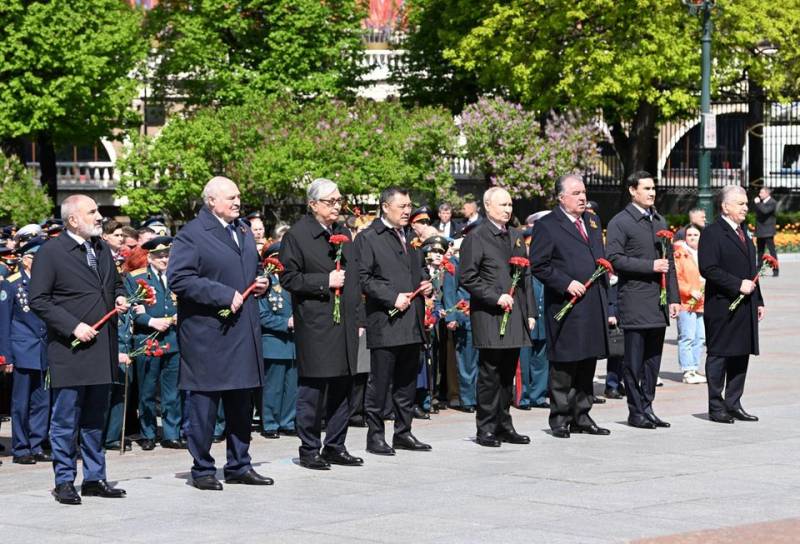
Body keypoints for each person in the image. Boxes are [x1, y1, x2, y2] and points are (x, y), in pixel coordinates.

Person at [168, 176, 272, 490]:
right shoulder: (192, 234)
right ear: (211, 200)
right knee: (204, 407)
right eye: (231, 197)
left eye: (239, 196)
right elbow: (180, 279)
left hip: (243, 331)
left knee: (242, 404)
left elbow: (247, 271)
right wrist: (222, 294)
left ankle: (240, 463)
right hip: (209, 335)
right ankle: (202, 469)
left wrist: (260, 283)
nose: (237, 202)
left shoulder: (242, 230)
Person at [29, 194, 129, 505]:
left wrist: (120, 298)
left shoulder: (100, 248)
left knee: (95, 418)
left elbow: (114, 284)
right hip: (70, 350)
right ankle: (64, 481)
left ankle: (95, 478)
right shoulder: (52, 252)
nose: (100, 217)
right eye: (93, 212)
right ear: (73, 219)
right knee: (65, 420)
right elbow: (39, 300)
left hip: (101, 349)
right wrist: (73, 326)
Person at [280, 178, 363, 470]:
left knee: (344, 387)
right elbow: (288, 278)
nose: (336, 206)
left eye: (339, 200)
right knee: (314, 390)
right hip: (316, 323)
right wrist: (323, 282)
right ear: (313, 204)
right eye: (330, 201)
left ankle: (336, 445)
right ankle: (309, 448)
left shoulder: (343, 233)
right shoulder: (297, 235)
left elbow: (356, 279)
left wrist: (359, 319)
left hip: (346, 325)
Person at [531, 175, 610, 439]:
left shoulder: (592, 221)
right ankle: (560, 418)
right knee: (565, 365)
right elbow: (540, 265)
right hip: (567, 304)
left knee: (588, 362)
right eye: (576, 193)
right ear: (561, 197)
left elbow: (599, 256)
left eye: (584, 192)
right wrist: (565, 283)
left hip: (592, 302)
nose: (582, 197)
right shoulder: (547, 225)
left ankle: (582, 415)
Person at [358, 187, 433, 455]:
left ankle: (404, 431)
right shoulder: (369, 237)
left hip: (411, 320)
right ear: (385, 207)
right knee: (380, 382)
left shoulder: (410, 236)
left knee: (406, 382)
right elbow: (364, 278)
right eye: (401, 206)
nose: (407, 211)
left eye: (409, 206)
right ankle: (375, 435)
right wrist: (392, 297)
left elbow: (420, 268)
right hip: (386, 320)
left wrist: (426, 284)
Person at [459, 187, 536, 447]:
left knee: (507, 373)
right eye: (502, 205)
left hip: (514, 314)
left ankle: (505, 424)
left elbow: (525, 277)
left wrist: (530, 313)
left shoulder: (515, 235)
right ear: (488, 206)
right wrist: (495, 296)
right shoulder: (477, 237)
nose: (508, 209)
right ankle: (486, 427)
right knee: (490, 373)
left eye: (510, 204)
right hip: (490, 314)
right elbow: (468, 277)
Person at [606, 171, 680, 430]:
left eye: (653, 188)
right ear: (632, 190)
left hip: (657, 304)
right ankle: (635, 410)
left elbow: (669, 264)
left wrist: (673, 298)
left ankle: (648, 407)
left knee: (653, 361)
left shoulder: (659, 220)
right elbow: (613, 258)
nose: (651, 193)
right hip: (634, 301)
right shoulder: (621, 222)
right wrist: (650, 266)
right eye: (646, 188)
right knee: (634, 361)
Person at [698, 186, 765, 424]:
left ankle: (734, 403)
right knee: (719, 356)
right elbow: (708, 268)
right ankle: (716, 407)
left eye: (746, 203)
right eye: (740, 203)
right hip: (722, 305)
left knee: (740, 355)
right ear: (725, 207)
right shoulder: (712, 233)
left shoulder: (743, 233)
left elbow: (752, 271)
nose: (746, 207)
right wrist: (738, 285)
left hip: (745, 305)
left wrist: (759, 300)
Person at [128, 236, 184, 450]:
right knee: (148, 391)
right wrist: (151, 321)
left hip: (173, 339)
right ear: (149, 257)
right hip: (148, 340)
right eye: (159, 255)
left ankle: (171, 433)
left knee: (172, 392)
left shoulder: (177, 276)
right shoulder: (137, 278)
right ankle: (148, 433)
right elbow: (132, 311)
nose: (164, 259)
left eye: (167, 255)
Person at [0, 237, 51, 465]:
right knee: (20, 403)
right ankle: (21, 448)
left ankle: (37, 444)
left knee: (42, 401)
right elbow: (3, 322)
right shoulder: (11, 284)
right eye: (36, 258)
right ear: (26, 259)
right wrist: (6, 355)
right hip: (21, 350)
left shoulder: (48, 282)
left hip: (44, 349)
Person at [258, 241, 297, 440]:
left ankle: (288, 421)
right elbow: (262, 315)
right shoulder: (266, 283)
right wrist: (286, 323)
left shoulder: (292, 281)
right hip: (274, 342)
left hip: (294, 344)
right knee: (273, 388)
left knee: (291, 386)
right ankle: (270, 423)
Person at [517, 218, 550, 410]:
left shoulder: (544, 266)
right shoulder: (520, 267)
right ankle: (523, 397)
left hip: (543, 319)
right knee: (524, 361)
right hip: (526, 319)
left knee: (541, 359)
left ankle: (538, 395)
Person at [673, 224, 707, 385]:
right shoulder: (680, 254)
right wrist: (689, 290)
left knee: (700, 336)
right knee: (687, 336)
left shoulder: (705, 253)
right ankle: (687, 370)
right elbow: (675, 278)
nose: (693, 238)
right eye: (689, 235)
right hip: (686, 302)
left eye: (696, 235)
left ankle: (694, 368)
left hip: (702, 301)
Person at [753, 186, 778, 277]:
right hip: (760, 231)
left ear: (767, 193)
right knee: (760, 251)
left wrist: (758, 203)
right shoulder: (761, 202)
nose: (759, 194)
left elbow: (765, 211)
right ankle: (758, 269)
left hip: (768, 231)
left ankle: (776, 270)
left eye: (761, 193)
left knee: (772, 251)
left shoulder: (772, 202)